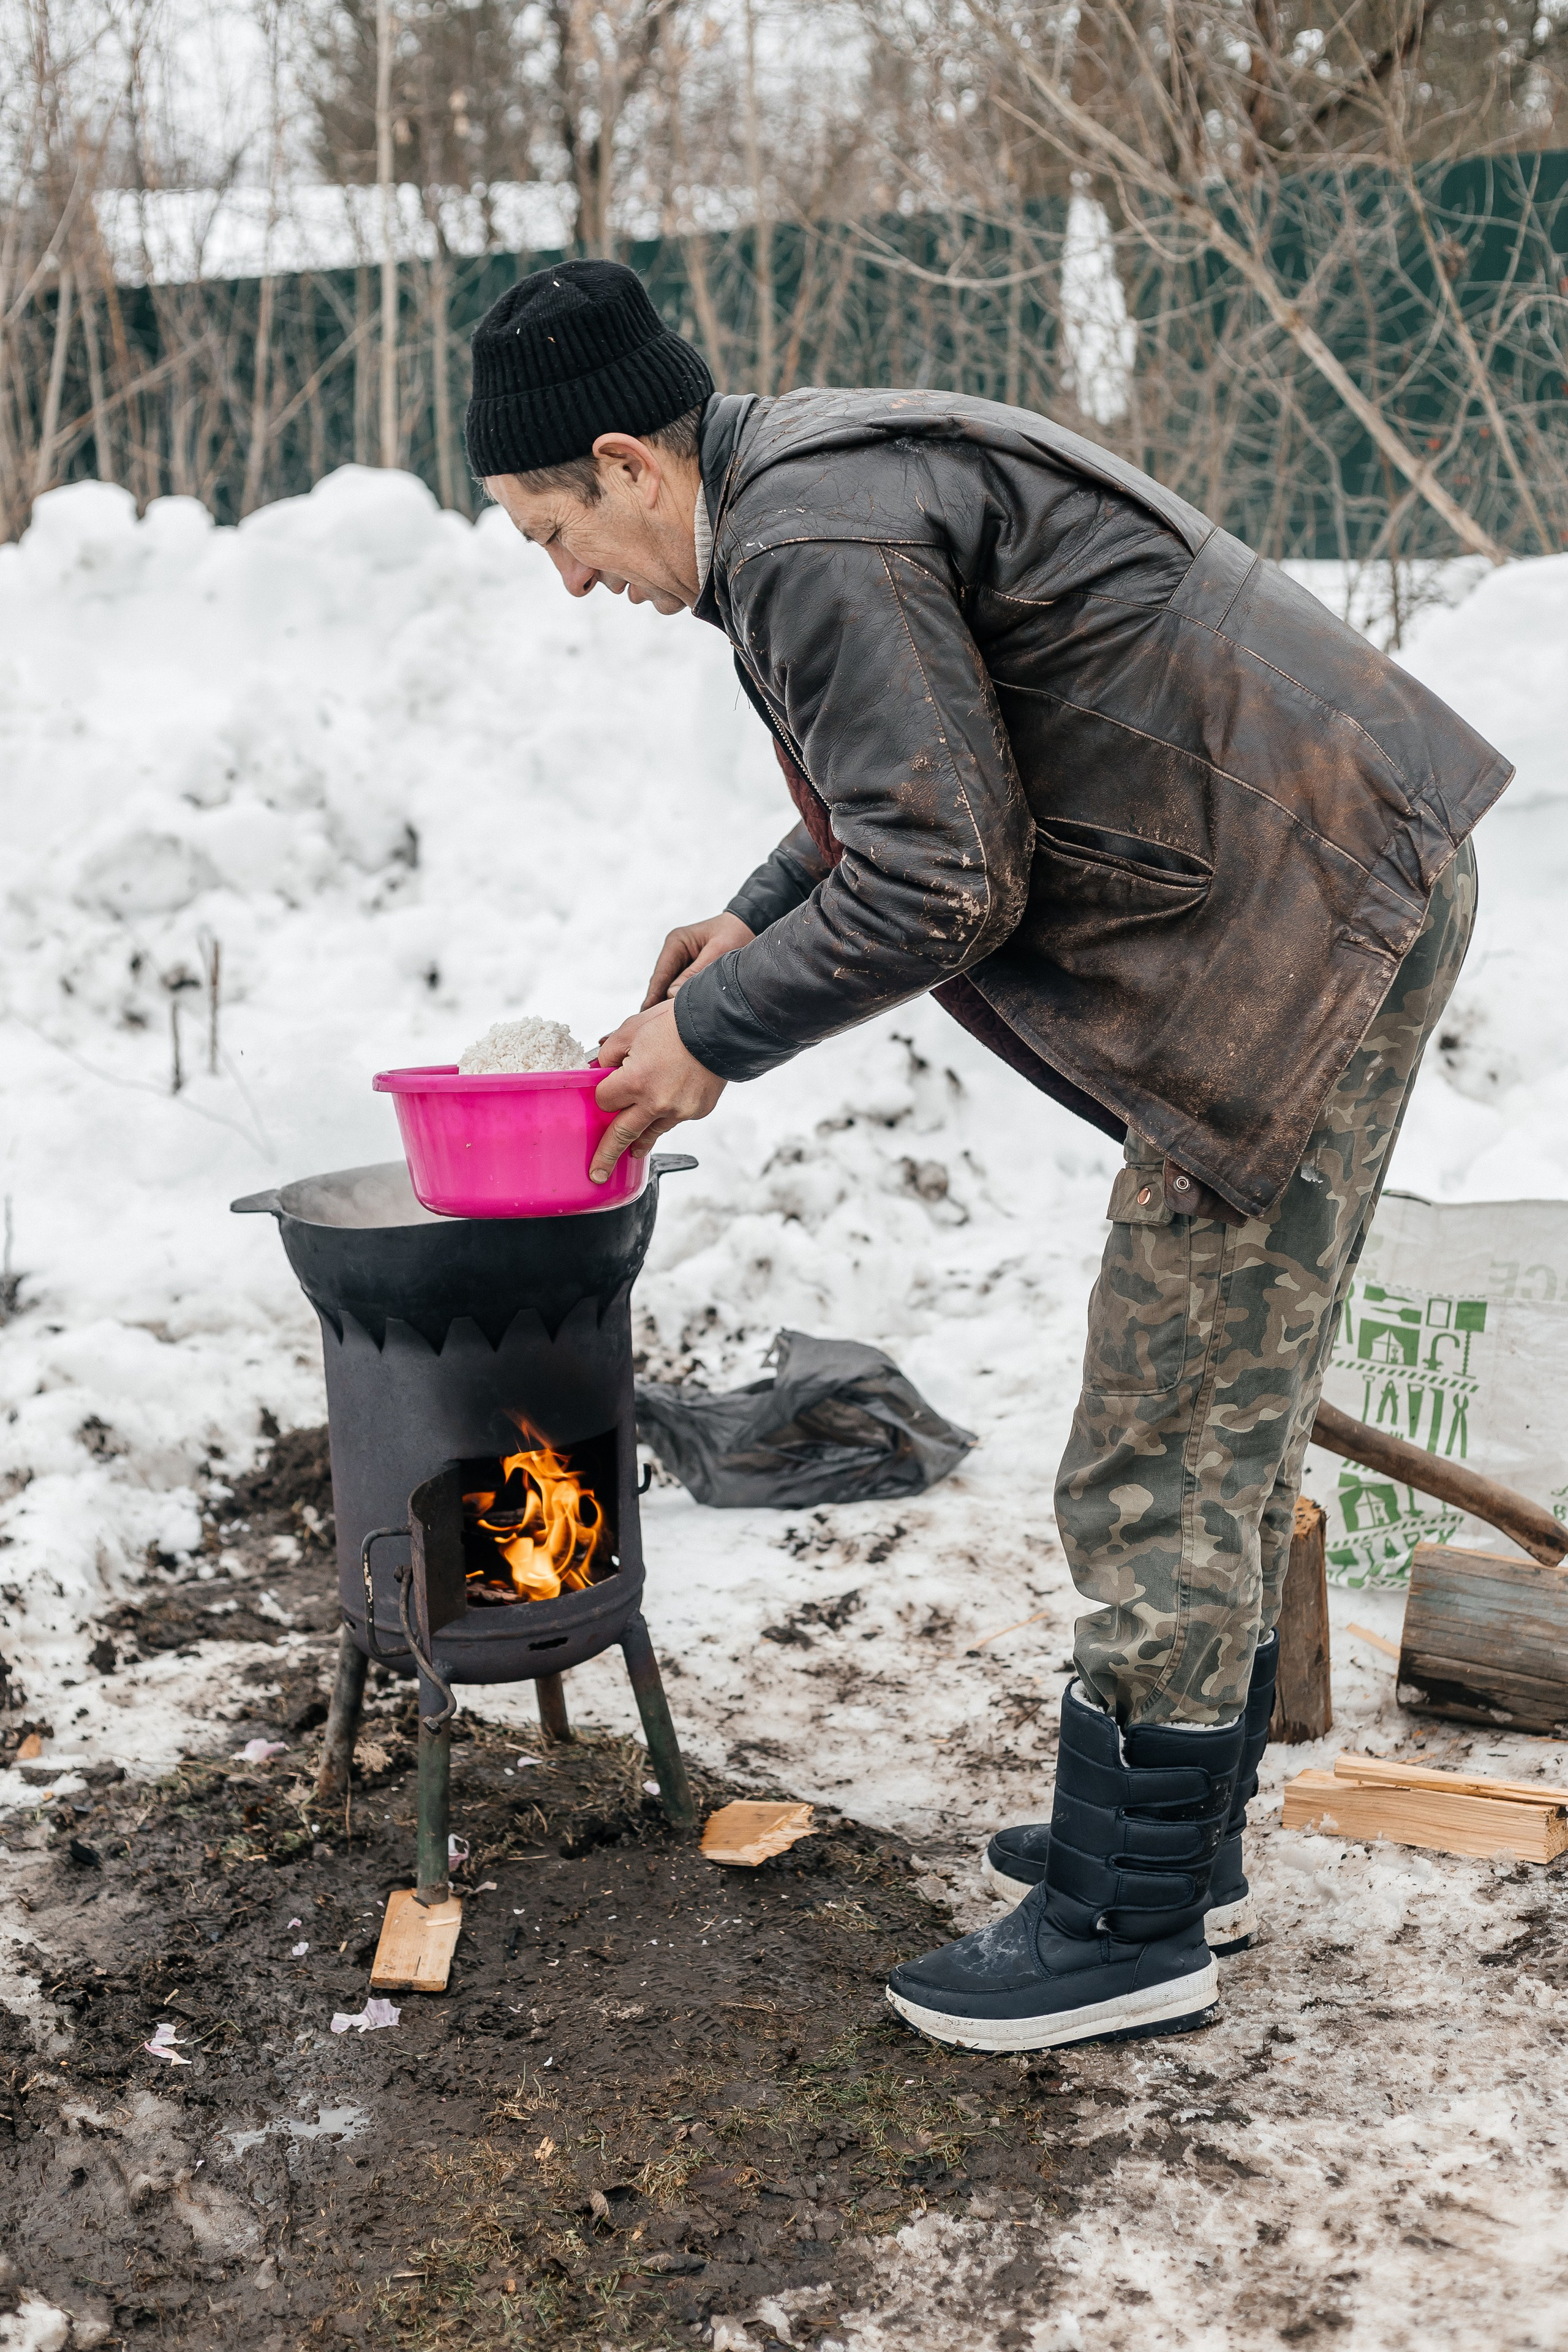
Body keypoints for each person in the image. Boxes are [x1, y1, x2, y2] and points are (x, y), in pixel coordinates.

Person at [465, 257, 1508, 2054]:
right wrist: (749, 918)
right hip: (1336, 870)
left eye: (554, 529)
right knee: (1223, 1421)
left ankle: (1129, 1919)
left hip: (1300, 923)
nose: (566, 581)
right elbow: (929, 776)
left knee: (1161, 1438)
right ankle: (1175, 1839)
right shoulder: (807, 482)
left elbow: (947, 876)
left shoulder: (805, 544)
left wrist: (711, 1042)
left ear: (631, 466)